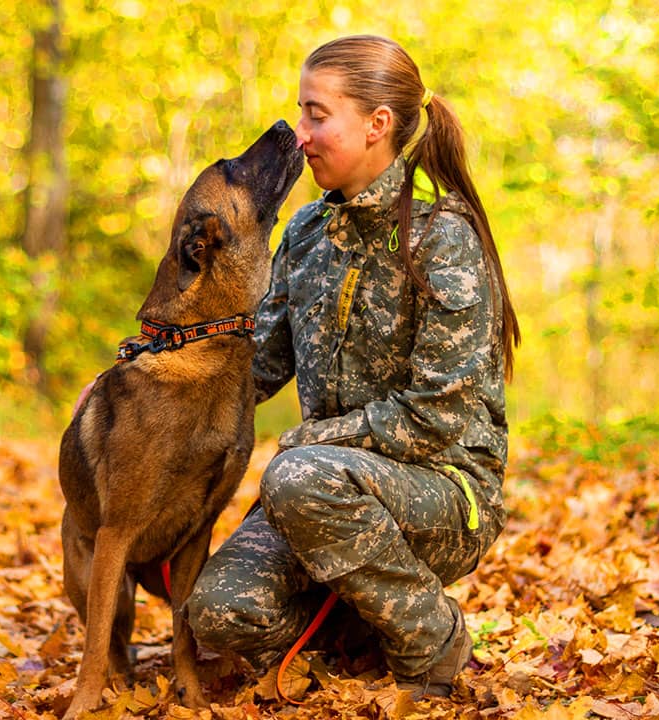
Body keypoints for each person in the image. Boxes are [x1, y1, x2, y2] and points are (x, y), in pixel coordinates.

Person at [185, 34, 520, 699]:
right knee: (221, 615)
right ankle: (363, 621)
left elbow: (436, 419)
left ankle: (432, 638)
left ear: (377, 125)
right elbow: (258, 363)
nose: (300, 135)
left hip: (444, 495)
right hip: (321, 492)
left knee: (299, 475)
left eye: (317, 114)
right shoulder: (308, 230)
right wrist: (151, 390)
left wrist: (311, 443)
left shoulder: (442, 238)